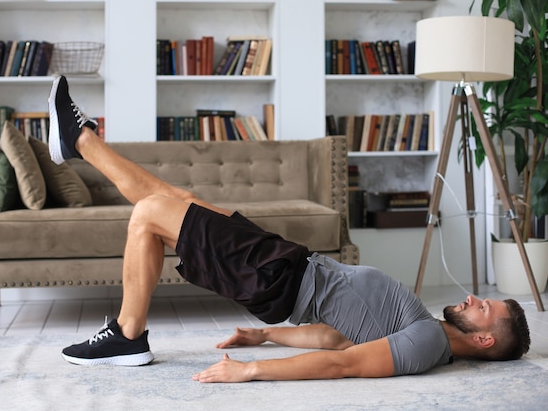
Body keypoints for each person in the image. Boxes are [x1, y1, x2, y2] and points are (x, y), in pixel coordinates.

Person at [48, 75, 530, 383]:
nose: (472, 298)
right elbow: (335, 339)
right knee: (175, 201)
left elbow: (344, 366)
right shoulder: (423, 330)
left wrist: (254, 372)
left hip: (281, 278)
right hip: (288, 267)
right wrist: (265, 338)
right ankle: (79, 139)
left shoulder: (428, 342)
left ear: (485, 340)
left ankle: (127, 334)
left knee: (149, 213)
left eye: (483, 307)